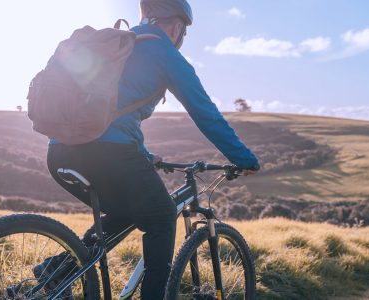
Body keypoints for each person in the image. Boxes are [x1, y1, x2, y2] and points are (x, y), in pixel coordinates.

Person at [37, 0, 260, 299]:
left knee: (130, 209)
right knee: (162, 216)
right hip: (107, 155)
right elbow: (205, 112)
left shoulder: (121, 44)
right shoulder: (163, 53)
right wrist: (244, 158)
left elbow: (112, 114)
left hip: (59, 151)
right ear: (177, 25)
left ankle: (56, 272)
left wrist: (143, 156)